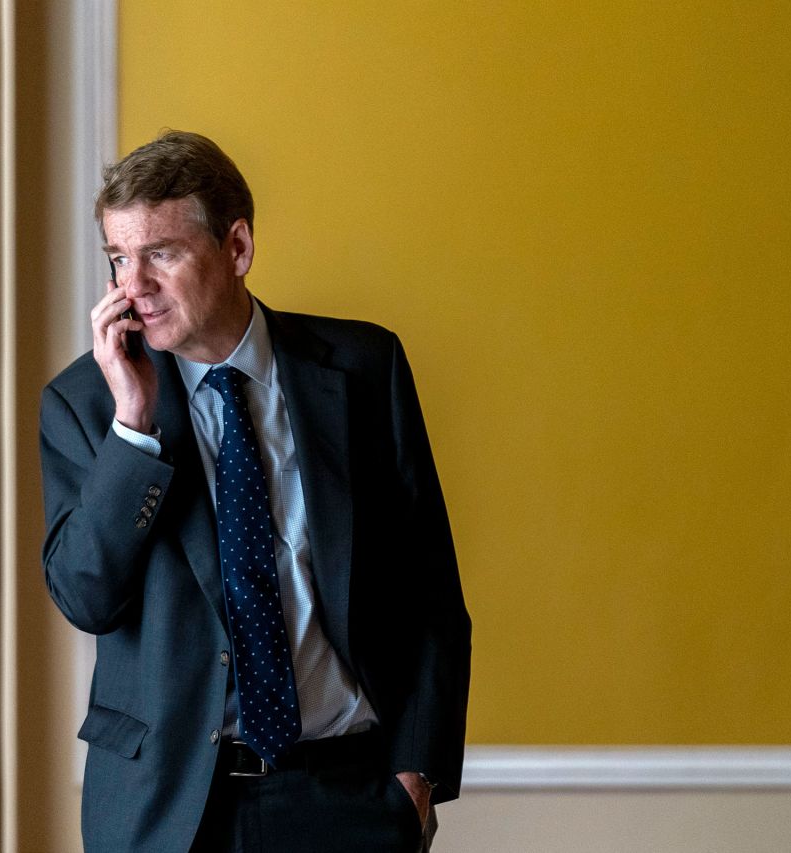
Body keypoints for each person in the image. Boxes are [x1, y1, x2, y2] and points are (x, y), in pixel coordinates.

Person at [40, 130, 470, 853]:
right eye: (119, 257)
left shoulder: (364, 368)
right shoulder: (86, 403)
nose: (132, 287)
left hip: (347, 797)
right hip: (170, 811)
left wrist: (414, 777)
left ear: (236, 248)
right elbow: (86, 596)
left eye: (161, 253)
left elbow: (429, 592)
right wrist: (134, 431)